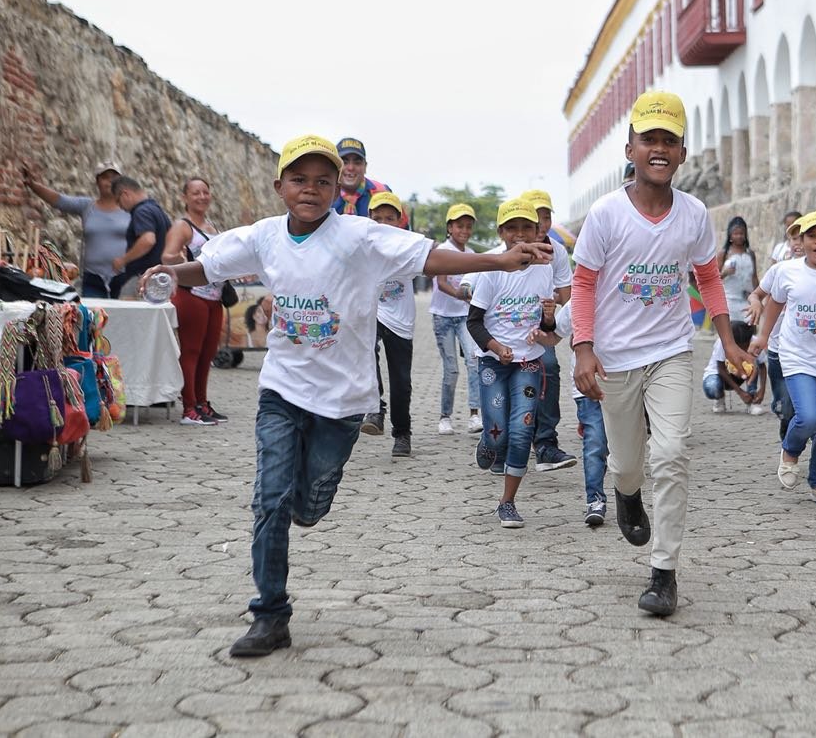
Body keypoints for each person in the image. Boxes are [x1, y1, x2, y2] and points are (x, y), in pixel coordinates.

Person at [141, 134, 551, 658]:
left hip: (343, 402)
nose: (310, 189)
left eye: (322, 181)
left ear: (337, 188)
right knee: (269, 499)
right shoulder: (264, 237)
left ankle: (308, 502)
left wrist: (500, 262)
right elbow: (209, 267)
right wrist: (171, 272)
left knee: (307, 507)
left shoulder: (360, 237)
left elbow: (429, 258)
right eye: (299, 179)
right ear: (280, 186)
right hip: (282, 390)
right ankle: (270, 614)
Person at [572, 90, 755, 617]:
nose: (659, 149)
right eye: (648, 139)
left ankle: (664, 572)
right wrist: (583, 349)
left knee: (672, 454)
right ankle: (627, 494)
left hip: (672, 350)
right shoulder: (606, 214)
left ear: (682, 152)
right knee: (628, 464)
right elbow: (583, 285)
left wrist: (727, 340)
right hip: (615, 359)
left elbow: (708, 279)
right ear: (630, 149)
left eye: (669, 141)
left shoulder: (694, 214)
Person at [749, 211, 816, 508]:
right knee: (809, 417)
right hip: (796, 356)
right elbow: (775, 304)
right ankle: (790, 450)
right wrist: (762, 336)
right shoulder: (788, 271)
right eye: (812, 236)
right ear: (802, 240)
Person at [468, 198, 561, 527]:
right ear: (501, 233)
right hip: (494, 363)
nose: (520, 234)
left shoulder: (545, 269)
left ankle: (507, 503)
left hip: (529, 364)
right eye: (512, 228)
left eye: (526, 227)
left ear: (537, 231)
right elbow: (473, 322)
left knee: (521, 432)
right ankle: (488, 442)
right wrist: (497, 347)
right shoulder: (492, 270)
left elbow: (546, 326)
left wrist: (547, 320)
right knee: (498, 435)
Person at [161, 177, 230, 426]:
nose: (201, 197)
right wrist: (180, 259)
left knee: (208, 353)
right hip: (192, 296)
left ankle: (202, 403)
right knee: (191, 352)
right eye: (195, 193)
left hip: (214, 298)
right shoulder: (182, 226)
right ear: (185, 198)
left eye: (205, 192)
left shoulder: (212, 226)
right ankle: (189, 408)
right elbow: (167, 256)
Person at [537, 298, 611, 527]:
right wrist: (538, 330)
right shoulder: (578, 300)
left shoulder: (628, 294)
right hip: (587, 385)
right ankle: (595, 500)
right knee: (595, 442)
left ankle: (628, 494)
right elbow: (553, 336)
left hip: (627, 381)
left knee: (624, 449)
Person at [519, 189, 576, 471]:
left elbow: (568, 296)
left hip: (542, 326)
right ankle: (502, 437)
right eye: (536, 217)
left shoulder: (557, 252)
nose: (542, 224)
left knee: (549, 368)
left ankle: (545, 443)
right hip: (506, 327)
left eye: (546, 217)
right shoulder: (510, 250)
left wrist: (575, 331)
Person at [22, 160, 130, 298]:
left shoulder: (130, 209)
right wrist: (33, 185)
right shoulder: (87, 206)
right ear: (97, 181)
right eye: (105, 177)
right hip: (93, 278)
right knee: (93, 312)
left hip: (123, 278)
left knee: (124, 312)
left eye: (114, 177)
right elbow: (59, 201)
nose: (110, 181)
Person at [367, 192, 416, 457]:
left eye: (389, 218)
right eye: (377, 218)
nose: (383, 224)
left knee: (401, 382)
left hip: (401, 322)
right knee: (365, 353)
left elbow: (438, 259)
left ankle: (402, 433)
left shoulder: (410, 246)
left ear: (399, 221)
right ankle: (375, 409)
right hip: (372, 313)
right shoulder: (363, 246)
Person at [430, 203, 483, 435]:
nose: (464, 230)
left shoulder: (471, 255)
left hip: (464, 317)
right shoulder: (443, 250)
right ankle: (445, 416)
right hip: (443, 317)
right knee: (451, 368)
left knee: (473, 361)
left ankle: (474, 415)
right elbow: (442, 283)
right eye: (459, 226)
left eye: (468, 226)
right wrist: (461, 295)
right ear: (449, 227)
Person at [746, 223, 803, 440]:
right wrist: (756, 303)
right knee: (785, 405)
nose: (798, 244)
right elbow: (756, 294)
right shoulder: (780, 270)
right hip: (778, 348)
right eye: (794, 239)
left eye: (802, 238)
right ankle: (785, 419)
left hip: (808, 351)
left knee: (808, 408)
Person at [110, 176, 172, 293]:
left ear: (125, 194)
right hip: (159, 279)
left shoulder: (141, 211)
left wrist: (123, 260)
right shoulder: (157, 210)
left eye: (118, 201)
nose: (120, 207)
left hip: (143, 278)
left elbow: (148, 240)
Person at [702, 320, 766, 414]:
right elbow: (721, 369)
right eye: (739, 347)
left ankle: (753, 399)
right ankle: (719, 398)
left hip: (742, 375)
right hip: (721, 375)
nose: (743, 350)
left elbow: (762, 366)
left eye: (745, 346)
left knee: (753, 364)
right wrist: (740, 392)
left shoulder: (755, 342)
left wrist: (762, 390)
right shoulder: (722, 342)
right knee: (712, 388)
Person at [332, 137, 395, 218]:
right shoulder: (325, 193)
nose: (351, 168)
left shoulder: (382, 192)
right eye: (344, 162)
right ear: (335, 166)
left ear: (365, 166)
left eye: (357, 163)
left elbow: (401, 224)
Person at [717, 216, 758, 322]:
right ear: (730, 235)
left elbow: (754, 277)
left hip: (747, 299)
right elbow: (715, 279)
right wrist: (725, 273)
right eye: (736, 234)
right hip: (729, 300)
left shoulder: (750, 253)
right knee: (732, 328)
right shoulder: (723, 254)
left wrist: (757, 297)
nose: (739, 236)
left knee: (749, 326)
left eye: (741, 233)